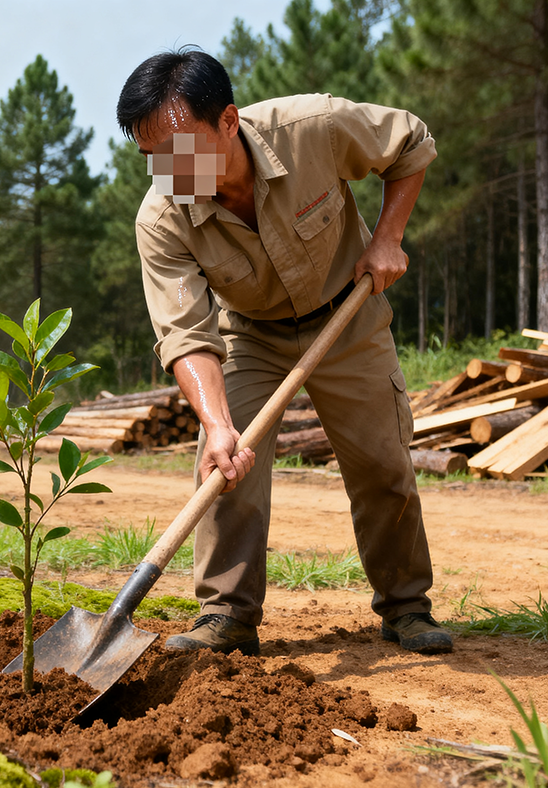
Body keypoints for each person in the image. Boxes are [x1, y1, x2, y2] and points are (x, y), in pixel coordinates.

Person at [116, 48, 452, 656]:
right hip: (249, 332)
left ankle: (407, 608)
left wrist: (387, 238)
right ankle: (226, 616)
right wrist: (218, 425)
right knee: (225, 464)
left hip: (347, 314)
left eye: (179, 150)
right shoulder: (162, 217)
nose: (167, 170)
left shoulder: (310, 130)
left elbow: (411, 143)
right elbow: (186, 333)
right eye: (151, 158)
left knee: (382, 463)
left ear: (227, 121)